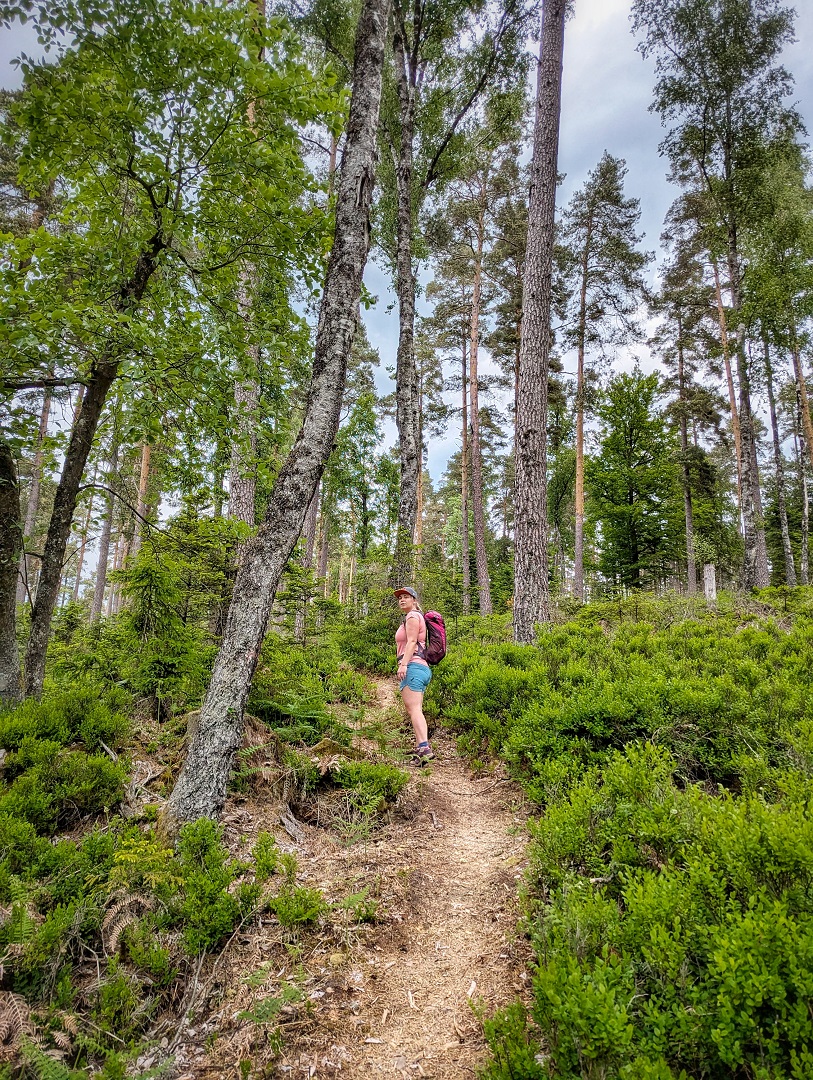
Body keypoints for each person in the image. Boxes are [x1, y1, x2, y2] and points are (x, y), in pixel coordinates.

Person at [393, 586, 434, 764]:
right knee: (414, 709)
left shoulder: (412, 616)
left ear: (414, 601)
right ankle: (421, 749)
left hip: (413, 666)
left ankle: (424, 747)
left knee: (415, 710)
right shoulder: (417, 617)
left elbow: (411, 641)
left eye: (406, 597)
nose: (402, 600)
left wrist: (403, 664)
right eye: (400, 597)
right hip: (421, 667)